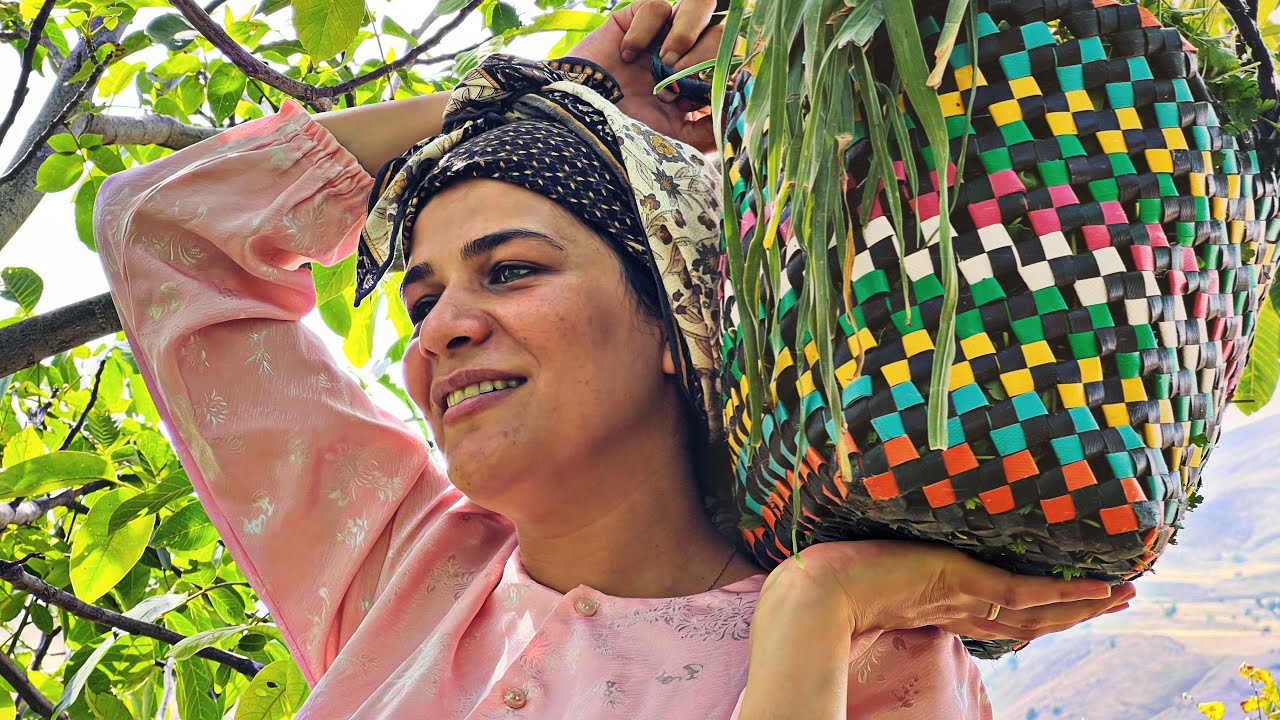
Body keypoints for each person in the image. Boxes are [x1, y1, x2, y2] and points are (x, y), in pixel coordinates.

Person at [93, 1, 1134, 717]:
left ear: (676, 318)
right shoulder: (402, 572)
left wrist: (813, 611)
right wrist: (549, 92)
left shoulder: (876, 655)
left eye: (508, 272)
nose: (439, 328)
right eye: (422, 295)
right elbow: (159, 225)